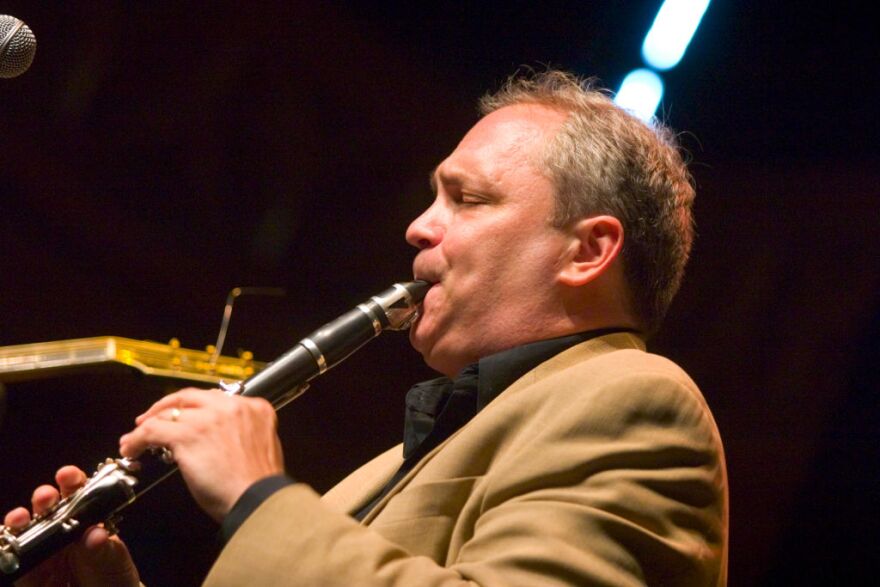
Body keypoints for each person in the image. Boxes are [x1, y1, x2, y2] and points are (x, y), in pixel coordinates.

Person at [6, 70, 728, 586]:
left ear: (587, 251)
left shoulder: (637, 401)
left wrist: (256, 493)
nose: (419, 226)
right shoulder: (385, 469)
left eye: (467, 199)